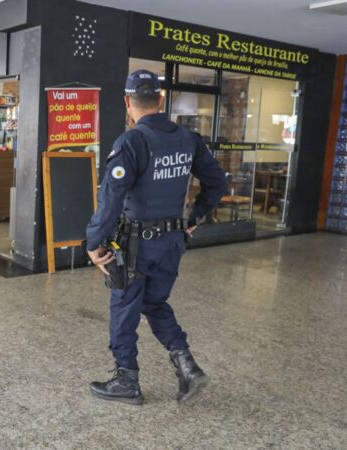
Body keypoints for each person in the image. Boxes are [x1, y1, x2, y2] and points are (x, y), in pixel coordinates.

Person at [85, 70, 226, 405]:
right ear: (161, 100)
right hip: (172, 243)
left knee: (124, 306)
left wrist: (94, 243)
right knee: (154, 302)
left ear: (126, 102)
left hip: (136, 245)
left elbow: (111, 199)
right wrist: (194, 219)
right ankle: (187, 366)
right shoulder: (188, 138)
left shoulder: (132, 141)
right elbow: (217, 182)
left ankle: (127, 381)